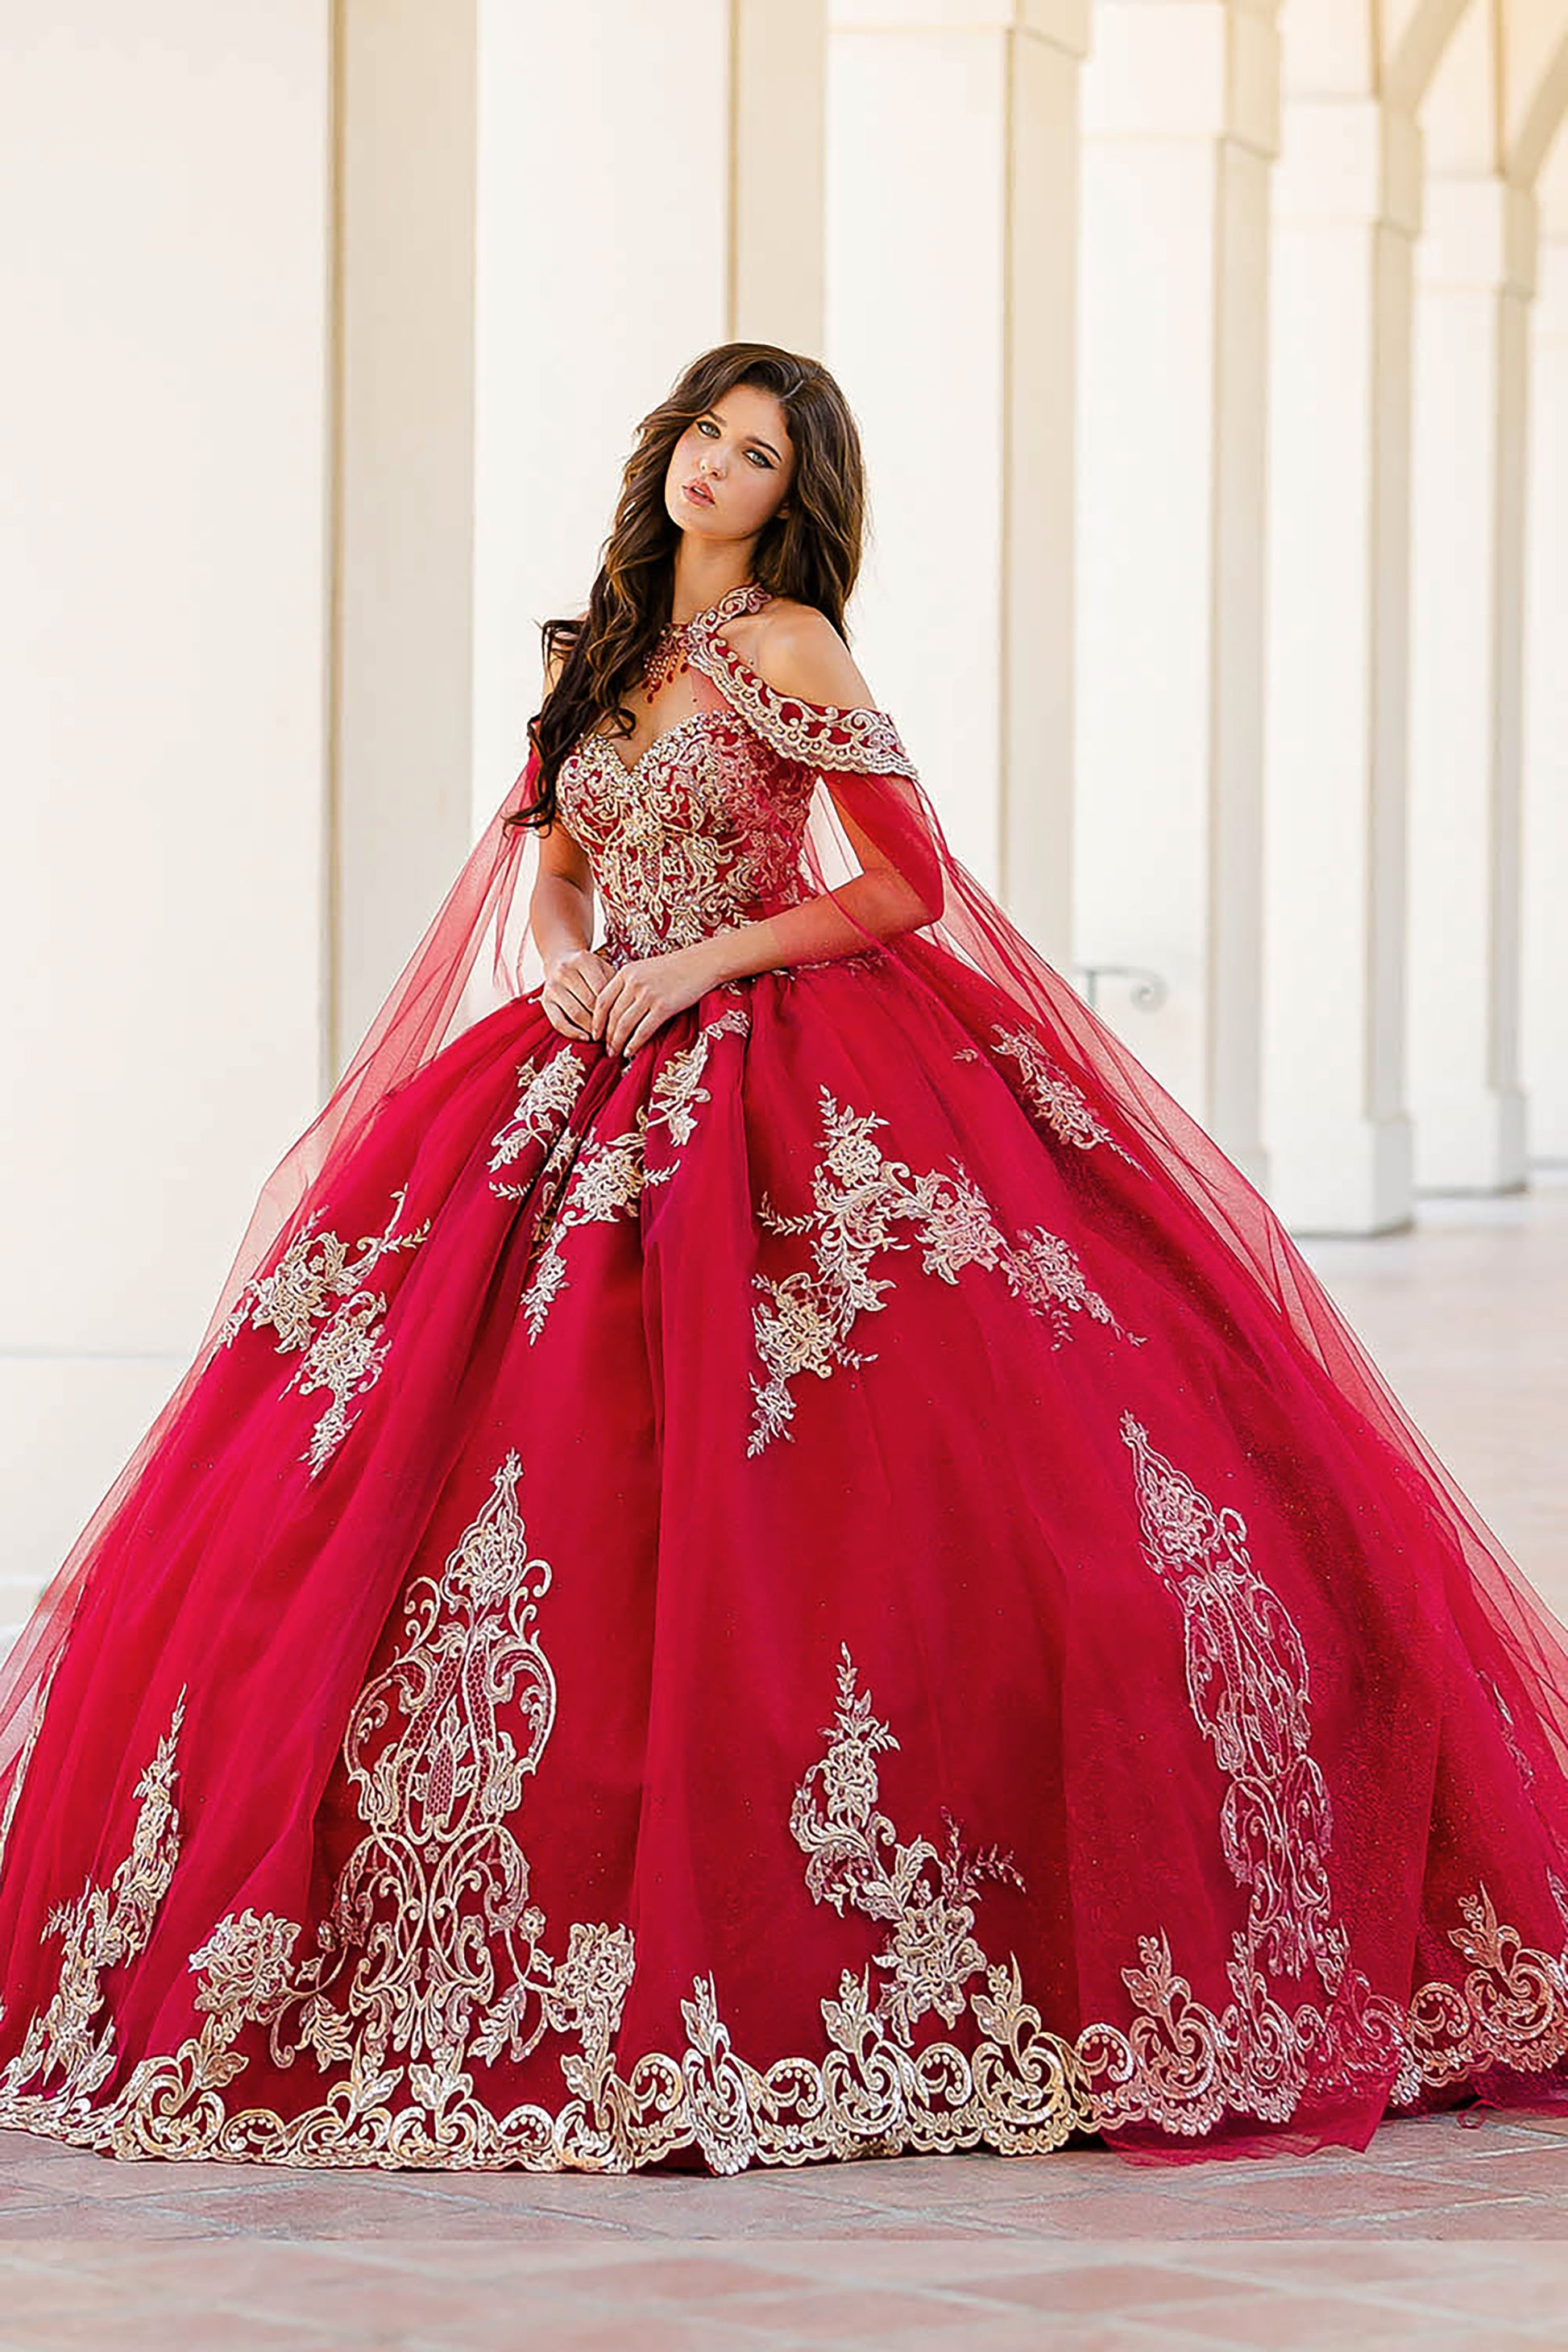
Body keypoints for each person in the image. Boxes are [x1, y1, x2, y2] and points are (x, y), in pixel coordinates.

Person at [1, 341, 1566, 2182]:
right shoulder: (593, 650)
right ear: (664, 447)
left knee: (870, 1485)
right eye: (702, 437)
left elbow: (902, 882)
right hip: (580, 1061)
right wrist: (580, 956)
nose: (715, 474)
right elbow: (558, 862)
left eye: (757, 456)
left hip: (776, 1059)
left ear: (792, 491)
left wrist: (700, 964)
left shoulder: (793, 646)